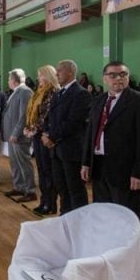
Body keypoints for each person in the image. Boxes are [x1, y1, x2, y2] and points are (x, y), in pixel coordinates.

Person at [81, 61, 140, 243]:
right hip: (100, 166)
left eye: (123, 74)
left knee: (129, 215)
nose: (118, 78)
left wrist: (139, 172)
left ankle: (134, 255)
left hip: (126, 169)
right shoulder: (99, 101)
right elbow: (91, 133)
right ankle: (109, 249)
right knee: (104, 212)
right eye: (113, 75)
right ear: (104, 79)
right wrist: (86, 162)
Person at [42, 59, 92, 213]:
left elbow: (73, 122)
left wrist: (52, 137)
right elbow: (49, 117)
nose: (56, 74)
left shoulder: (81, 93)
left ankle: (80, 222)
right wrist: (46, 133)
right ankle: (65, 218)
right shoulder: (59, 93)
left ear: (70, 72)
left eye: (60, 70)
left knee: (75, 189)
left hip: (71, 150)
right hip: (56, 149)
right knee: (62, 188)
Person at [23, 65, 60, 215]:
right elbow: (32, 112)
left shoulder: (52, 91)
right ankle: (44, 201)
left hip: (45, 135)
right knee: (41, 169)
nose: (38, 78)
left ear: (48, 76)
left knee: (48, 171)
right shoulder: (38, 91)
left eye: (41, 75)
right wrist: (28, 127)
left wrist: (33, 129)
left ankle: (50, 204)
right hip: (36, 135)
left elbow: (46, 114)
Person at [1, 69, 35, 202]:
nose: (8, 81)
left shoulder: (25, 92)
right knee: (14, 162)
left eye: (9, 79)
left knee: (23, 163)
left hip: (19, 136)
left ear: (14, 80)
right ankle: (19, 186)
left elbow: (24, 116)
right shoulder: (16, 92)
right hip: (11, 135)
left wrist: (16, 133)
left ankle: (30, 190)